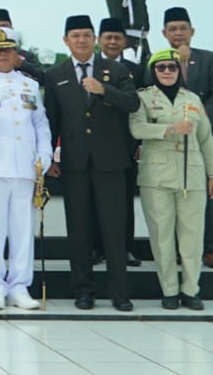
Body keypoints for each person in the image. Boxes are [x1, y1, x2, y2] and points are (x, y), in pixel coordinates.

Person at [44, 14, 140, 311]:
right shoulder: (56, 73)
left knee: (113, 230)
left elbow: (133, 103)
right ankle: (83, 290)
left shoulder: (115, 68)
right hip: (75, 164)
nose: (82, 40)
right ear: (65, 40)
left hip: (111, 162)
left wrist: (104, 90)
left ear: (95, 39)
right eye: (75, 36)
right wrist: (49, 158)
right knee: (80, 230)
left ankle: (119, 292)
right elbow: (51, 120)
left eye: (87, 35)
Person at [0, 27, 52, 311]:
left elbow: (39, 122)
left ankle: (19, 286)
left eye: (8, 50)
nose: (3, 55)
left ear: (16, 54)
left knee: (22, 230)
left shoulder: (28, 84)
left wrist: (44, 153)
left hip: (25, 166)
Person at [132, 47, 213, 310]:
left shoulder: (193, 99)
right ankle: (169, 290)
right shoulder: (144, 98)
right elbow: (136, 127)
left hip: (191, 175)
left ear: (180, 70)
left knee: (192, 236)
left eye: (172, 67)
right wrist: (170, 128)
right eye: (161, 68)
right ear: (153, 71)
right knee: (162, 237)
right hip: (156, 176)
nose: (168, 72)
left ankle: (191, 290)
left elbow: (206, 138)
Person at [159, 6, 213, 268]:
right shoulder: (157, 60)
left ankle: (211, 249)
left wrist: (196, 122)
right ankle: (180, 249)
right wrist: (176, 62)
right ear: (164, 33)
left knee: (209, 194)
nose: (178, 33)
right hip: (170, 140)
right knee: (177, 196)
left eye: (183, 28)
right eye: (172, 29)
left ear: (192, 31)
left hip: (203, 138)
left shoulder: (209, 58)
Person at [97, 16, 145, 268]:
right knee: (94, 201)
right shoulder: (89, 66)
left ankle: (126, 248)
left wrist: (140, 142)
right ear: (99, 40)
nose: (113, 42)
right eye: (108, 37)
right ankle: (97, 248)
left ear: (124, 41)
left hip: (127, 144)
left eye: (117, 38)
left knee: (124, 200)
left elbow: (142, 108)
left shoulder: (137, 70)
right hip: (95, 143)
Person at [0, 9, 45, 83]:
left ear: (11, 28)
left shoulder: (26, 56)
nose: (1, 31)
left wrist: (22, 64)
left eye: (4, 26)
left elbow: (42, 78)